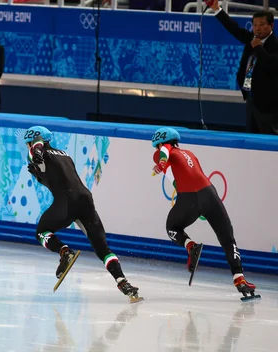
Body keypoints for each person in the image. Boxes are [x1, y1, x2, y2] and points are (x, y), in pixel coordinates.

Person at [24, 126, 141, 301]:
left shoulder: (36, 152)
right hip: (85, 201)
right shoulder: (65, 155)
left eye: (28, 143)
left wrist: (37, 149)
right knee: (103, 249)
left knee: (41, 232)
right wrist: (39, 176)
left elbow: (37, 148)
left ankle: (64, 252)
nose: (28, 147)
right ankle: (123, 282)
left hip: (66, 203)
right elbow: (58, 177)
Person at [151, 127, 257, 298]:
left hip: (189, 198)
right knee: (227, 238)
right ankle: (240, 279)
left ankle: (191, 246)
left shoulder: (161, 151)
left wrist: (161, 161)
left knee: (172, 227)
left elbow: (164, 151)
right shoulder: (189, 153)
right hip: (209, 194)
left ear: (161, 143)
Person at [207, 0, 278, 135]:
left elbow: (271, 65)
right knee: (252, 139)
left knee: (269, 141)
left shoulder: (275, 45)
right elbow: (234, 28)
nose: (257, 28)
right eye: (255, 25)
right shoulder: (251, 39)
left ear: (271, 26)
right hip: (251, 98)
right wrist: (217, 9)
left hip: (269, 105)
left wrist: (258, 47)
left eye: (262, 24)